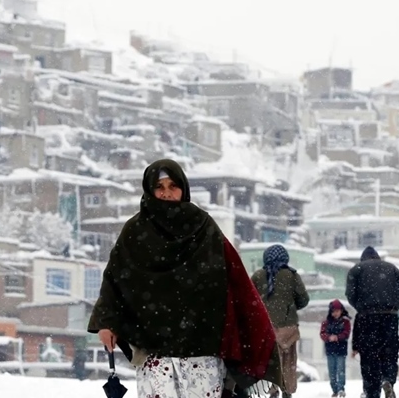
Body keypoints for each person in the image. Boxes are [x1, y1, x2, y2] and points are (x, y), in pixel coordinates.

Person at [88, 159, 284, 398]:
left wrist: (251, 328)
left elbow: (236, 280)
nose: (167, 193)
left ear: (183, 188)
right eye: (160, 187)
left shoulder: (203, 227)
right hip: (154, 348)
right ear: (150, 190)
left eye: (173, 186)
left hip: (203, 348)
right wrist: (106, 322)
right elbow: (115, 279)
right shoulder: (135, 231)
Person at [250, 244, 310, 398]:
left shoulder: (258, 275)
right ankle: (287, 390)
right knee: (289, 361)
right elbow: (303, 299)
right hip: (288, 327)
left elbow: (249, 300)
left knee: (270, 360)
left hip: (266, 328)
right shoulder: (292, 275)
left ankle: (272, 389)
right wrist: (290, 305)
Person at [345, 247, 399, 398]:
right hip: (390, 316)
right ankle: (388, 380)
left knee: (369, 356)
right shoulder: (392, 269)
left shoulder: (356, 270)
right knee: (389, 352)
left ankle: (372, 391)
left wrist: (362, 307)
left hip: (367, 317)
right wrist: (391, 307)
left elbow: (350, 294)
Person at [320, 299, 351, 398]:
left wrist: (338, 337)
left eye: (337, 311)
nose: (336, 313)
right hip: (330, 351)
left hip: (341, 350)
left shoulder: (345, 322)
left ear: (341, 311)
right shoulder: (326, 323)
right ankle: (335, 389)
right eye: (334, 311)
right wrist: (329, 338)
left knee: (340, 370)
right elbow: (322, 334)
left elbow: (346, 333)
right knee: (332, 372)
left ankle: (341, 389)